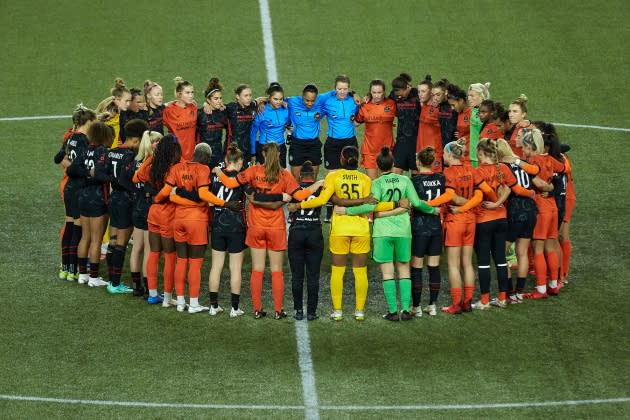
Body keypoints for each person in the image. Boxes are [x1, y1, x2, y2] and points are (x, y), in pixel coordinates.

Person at [214, 143, 322, 319]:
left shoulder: (253, 171)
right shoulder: (284, 175)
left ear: (263, 154)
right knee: (276, 270)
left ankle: (257, 309)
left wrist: (218, 172)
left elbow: (230, 182)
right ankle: (278, 311)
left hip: (256, 225)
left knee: (257, 269)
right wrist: (316, 185)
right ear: (279, 154)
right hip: (275, 226)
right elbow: (300, 196)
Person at [292, 145, 392, 321]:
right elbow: (373, 204)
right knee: (360, 272)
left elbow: (322, 200)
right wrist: (395, 205)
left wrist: (299, 205)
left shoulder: (333, 176)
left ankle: (337, 312)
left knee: (337, 272)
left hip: (340, 230)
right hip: (361, 228)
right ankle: (359, 311)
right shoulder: (366, 179)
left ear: (342, 159)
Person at [339, 148, 438, 321]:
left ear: (377, 166)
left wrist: (347, 210)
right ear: (393, 165)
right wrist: (433, 209)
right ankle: (406, 311)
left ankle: (393, 312)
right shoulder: (405, 180)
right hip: (403, 231)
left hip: (383, 232)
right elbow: (416, 203)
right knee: (404, 269)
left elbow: (370, 207)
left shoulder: (376, 184)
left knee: (387, 273)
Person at [155, 143, 238, 313]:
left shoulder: (177, 167)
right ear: (206, 157)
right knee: (195, 264)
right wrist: (225, 203)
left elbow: (167, 191)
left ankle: (179, 302)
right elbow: (203, 195)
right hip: (196, 220)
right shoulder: (203, 169)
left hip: (178, 220)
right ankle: (193, 304)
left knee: (181, 261)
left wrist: (158, 199)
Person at [469, 139, 532, 310]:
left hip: (483, 221)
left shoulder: (477, 172)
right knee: (501, 261)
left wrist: (494, 202)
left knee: (483, 262)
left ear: (481, 154)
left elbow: (483, 194)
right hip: (502, 219)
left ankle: (484, 301)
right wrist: (500, 204)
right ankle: (503, 298)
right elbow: (513, 189)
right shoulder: (503, 168)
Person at [426, 139, 482, 314]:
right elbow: (482, 192)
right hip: (470, 220)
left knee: (453, 265)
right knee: (467, 263)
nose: (442, 156)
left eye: (444, 153)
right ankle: (468, 302)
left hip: (455, 221)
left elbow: (449, 195)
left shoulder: (449, 173)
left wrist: (429, 203)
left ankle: (456, 304)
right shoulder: (471, 170)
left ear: (450, 154)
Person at [132, 134, 186, 306]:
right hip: (169, 215)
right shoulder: (176, 168)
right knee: (170, 256)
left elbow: (136, 177)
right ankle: (168, 298)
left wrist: (150, 158)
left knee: (154, 253)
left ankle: (153, 294)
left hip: (153, 213)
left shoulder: (153, 165)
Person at [520, 128, 565, 299]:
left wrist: (517, 162)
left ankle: (540, 289)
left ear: (530, 147)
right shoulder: (550, 159)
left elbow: (534, 177)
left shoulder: (533, 162)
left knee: (538, 249)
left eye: (524, 147)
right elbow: (562, 168)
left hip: (540, 207)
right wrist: (552, 186)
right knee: (551, 248)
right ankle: (553, 285)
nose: (523, 151)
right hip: (552, 206)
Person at [68, 122, 114, 287]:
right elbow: (102, 175)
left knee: (85, 237)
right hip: (98, 198)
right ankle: (94, 278)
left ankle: (83, 275)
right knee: (96, 240)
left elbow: (71, 170)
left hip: (83, 196)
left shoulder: (85, 149)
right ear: (104, 136)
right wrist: (110, 178)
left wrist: (86, 173)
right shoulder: (103, 152)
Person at [104, 119, 148, 294]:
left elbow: (107, 174)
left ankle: (111, 280)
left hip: (113, 197)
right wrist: (135, 191)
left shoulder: (113, 151)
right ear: (136, 139)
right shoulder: (131, 155)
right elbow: (125, 179)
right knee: (121, 243)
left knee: (113, 241)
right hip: (125, 200)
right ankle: (115, 284)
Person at [54, 105, 96, 282]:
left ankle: (65, 268)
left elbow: (57, 158)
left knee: (70, 227)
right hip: (79, 188)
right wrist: (90, 172)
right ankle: (75, 270)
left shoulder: (70, 137)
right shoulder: (83, 141)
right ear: (88, 122)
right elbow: (79, 167)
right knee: (78, 230)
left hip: (69, 187)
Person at [206, 144, 248, 317]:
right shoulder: (242, 177)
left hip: (217, 223)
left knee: (216, 266)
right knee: (235, 268)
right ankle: (234, 308)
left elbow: (208, 202)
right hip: (236, 225)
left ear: (225, 160)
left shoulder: (215, 176)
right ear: (238, 161)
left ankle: (213, 306)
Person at [409, 147, 445, 316]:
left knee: (416, 266)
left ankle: (416, 308)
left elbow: (413, 203)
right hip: (436, 226)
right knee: (433, 266)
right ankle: (432, 305)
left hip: (419, 226)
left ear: (418, 162)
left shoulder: (414, 180)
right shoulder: (440, 178)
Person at [287, 161, 324, 320]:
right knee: (313, 275)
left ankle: (298, 311)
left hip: (296, 232)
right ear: (313, 176)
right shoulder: (320, 188)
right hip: (314, 231)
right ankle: (311, 312)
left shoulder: (294, 188)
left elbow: (289, 206)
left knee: (297, 275)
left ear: (300, 175)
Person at [129, 130, 163, 297]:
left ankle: (136, 287)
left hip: (137, 206)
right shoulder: (153, 163)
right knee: (149, 251)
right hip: (149, 208)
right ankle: (150, 289)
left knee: (137, 248)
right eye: (159, 142)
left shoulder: (136, 160)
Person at [355, 79, 397, 179]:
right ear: (370, 92)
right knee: (373, 185)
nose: (377, 95)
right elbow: (356, 123)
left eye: (379, 92)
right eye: (374, 92)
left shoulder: (391, 104)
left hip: (387, 151)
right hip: (370, 151)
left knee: (388, 183)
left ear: (384, 92)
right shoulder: (365, 105)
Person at [286, 83, 328, 179]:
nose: (310, 103)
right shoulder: (292, 101)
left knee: (312, 178)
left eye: (312, 101)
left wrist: (353, 94)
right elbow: (275, 98)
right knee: (296, 179)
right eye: (307, 100)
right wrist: (260, 102)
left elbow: (337, 92)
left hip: (314, 144)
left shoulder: (321, 102)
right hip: (297, 144)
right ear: (302, 96)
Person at [251, 82, 290, 167]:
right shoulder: (261, 111)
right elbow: (253, 133)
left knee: (280, 176)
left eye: (281, 99)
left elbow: (289, 122)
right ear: (269, 98)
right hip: (265, 147)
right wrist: (253, 152)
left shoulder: (286, 109)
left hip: (281, 147)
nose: (278, 102)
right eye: (275, 99)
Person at [389, 73, 420, 174]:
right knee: (395, 172)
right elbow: (383, 103)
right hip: (402, 140)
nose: (399, 97)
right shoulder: (394, 95)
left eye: (401, 94)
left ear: (407, 87)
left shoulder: (417, 94)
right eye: (397, 95)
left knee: (416, 173)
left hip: (417, 141)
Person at [163, 77, 198, 161]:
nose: (191, 95)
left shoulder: (193, 107)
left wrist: (206, 104)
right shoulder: (169, 110)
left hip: (192, 154)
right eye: (187, 93)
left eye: (192, 92)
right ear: (179, 94)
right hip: (176, 154)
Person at [198, 76, 228, 168]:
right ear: (208, 100)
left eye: (220, 98)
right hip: (203, 157)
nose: (219, 101)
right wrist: (205, 105)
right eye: (216, 99)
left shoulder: (224, 112)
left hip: (219, 157)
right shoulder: (200, 114)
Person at [95, 78, 132, 149]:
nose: (128, 104)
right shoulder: (110, 112)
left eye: (129, 101)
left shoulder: (121, 114)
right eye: (126, 101)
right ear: (117, 100)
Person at [225, 84, 257, 165]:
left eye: (250, 95)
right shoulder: (231, 108)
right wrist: (206, 104)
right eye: (245, 96)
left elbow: (261, 100)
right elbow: (216, 107)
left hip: (247, 150)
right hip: (233, 150)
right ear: (238, 96)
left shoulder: (252, 106)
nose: (249, 98)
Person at [416, 75, 442, 172]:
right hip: (422, 151)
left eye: (423, 91)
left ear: (431, 93)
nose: (420, 94)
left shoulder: (438, 107)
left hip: (434, 153)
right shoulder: (424, 105)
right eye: (419, 92)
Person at [467, 82, 491, 167]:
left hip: (483, 156)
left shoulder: (487, 112)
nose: (469, 98)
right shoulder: (474, 109)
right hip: (473, 154)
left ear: (481, 97)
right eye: (468, 96)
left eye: (472, 96)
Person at [447, 85, 472, 165]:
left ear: (461, 100)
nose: (452, 108)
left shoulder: (472, 113)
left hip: (471, 155)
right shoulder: (459, 114)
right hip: (462, 154)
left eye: (453, 105)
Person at [507, 94, 531, 159]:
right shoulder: (512, 126)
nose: (510, 115)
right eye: (509, 111)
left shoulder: (526, 130)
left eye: (515, 111)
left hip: (520, 166)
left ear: (523, 114)